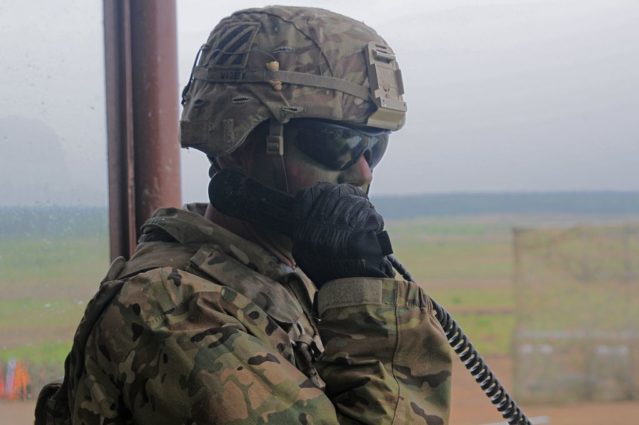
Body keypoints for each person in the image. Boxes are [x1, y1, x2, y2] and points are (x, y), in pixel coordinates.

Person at [36, 6, 451, 424]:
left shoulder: (281, 278)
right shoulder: (175, 310)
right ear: (237, 141)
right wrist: (365, 309)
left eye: (374, 146)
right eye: (336, 142)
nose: (362, 170)